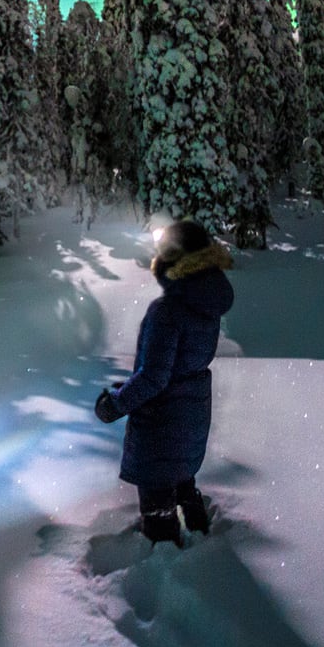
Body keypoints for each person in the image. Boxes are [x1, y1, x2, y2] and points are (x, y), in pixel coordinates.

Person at [93, 219, 234, 545]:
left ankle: (165, 571)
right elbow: (178, 364)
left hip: (163, 422)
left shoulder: (168, 311)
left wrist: (114, 404)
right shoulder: (206, 302)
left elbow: (155, 377)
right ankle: (203, 537)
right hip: (190, 414)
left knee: (158, 505)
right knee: (182, 477)